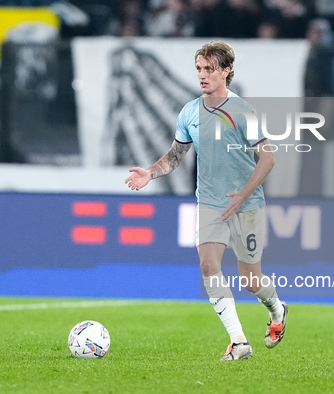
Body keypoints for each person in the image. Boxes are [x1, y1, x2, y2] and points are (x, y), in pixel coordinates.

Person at [125, 41, 287, 361]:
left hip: (247, 204)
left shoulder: (243, 111)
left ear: (226, 71)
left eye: (209, 69)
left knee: (251, 281)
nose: (202, 75)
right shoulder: (189, 112)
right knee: (208, 264)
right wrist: (150, 173)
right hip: (210, 203)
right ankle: (239, 342)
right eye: (199, 68)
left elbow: (268, 159)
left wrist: (243, 193)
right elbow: (175, 156)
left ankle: (277, 310)